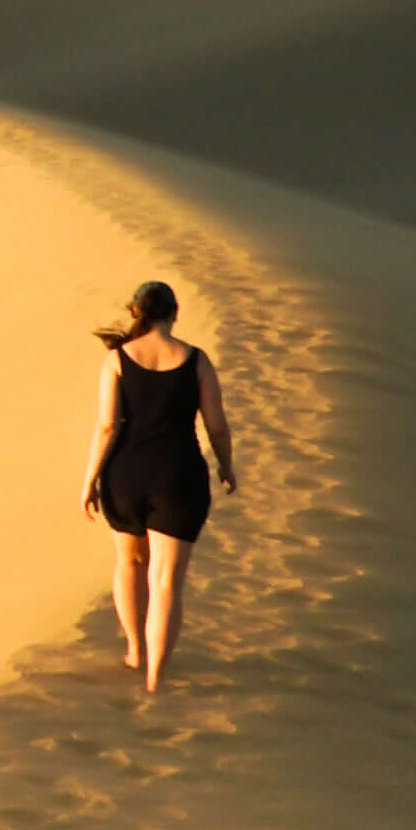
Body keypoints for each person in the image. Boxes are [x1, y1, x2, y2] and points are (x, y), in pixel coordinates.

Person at [82, 276, 234, 695]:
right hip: (179, 478)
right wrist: (227, 467)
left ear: (137, 312)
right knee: (166, 582)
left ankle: (134, 650)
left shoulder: (117, 359)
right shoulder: (197, 360)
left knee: (129, 564)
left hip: (125, 476)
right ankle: (155, 680)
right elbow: (217, 426)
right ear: (175, 314)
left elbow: (107, 425)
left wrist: (89, 480)